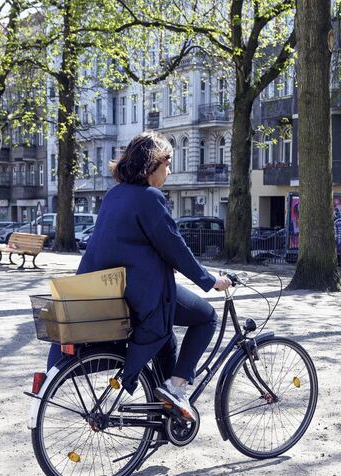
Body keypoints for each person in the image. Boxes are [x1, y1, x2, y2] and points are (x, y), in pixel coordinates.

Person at [48, 131, 231, 421]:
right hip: (140, 294)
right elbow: (175, 246)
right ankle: (177, 384)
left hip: (108, 291)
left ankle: (163, 413)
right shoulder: (150, 198)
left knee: (166, 336)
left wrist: (159, 260)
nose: (169, 172)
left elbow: (128, 242)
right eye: (166, 164)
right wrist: (210, 281)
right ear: (152, 165)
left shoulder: (114, 195)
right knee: (206, 317)